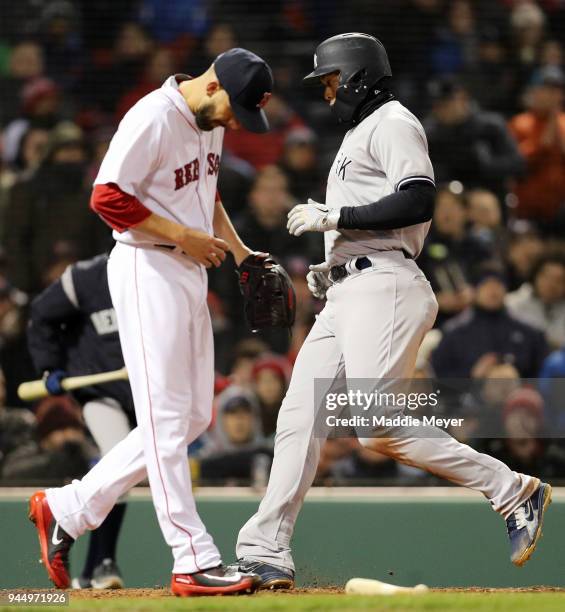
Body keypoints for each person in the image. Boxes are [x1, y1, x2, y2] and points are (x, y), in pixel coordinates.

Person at [233, 33, 551, 590]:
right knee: (300, 418)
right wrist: (331, 266)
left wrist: (335, 221)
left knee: (374, 427)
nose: (327, 94)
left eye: (331, 81)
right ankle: (265, 549)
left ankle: (512, 489)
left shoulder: (393, 121)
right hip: (352, 289)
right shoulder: (363, 130)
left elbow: (419, 197)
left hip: (385, 284)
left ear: (356, 74)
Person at [28, 47, 275, 597]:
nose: (237, 123)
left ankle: (67, 508)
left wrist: (239, 252)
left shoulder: (209, 118)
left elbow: (204, 195)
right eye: (237, 110)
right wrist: (182, 235)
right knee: (165, 418)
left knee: (191, 417)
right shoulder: (153, 116)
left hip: (189, 270)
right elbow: (107, 197)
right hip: (147, 266)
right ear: (213, 86)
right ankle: (193, 559)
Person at [27, 254, 135, 589]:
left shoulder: (161, 276)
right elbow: (41, 314)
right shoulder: (86, 277)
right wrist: (50, 365)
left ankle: (89, 572)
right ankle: (103, 560)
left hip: (146, 393)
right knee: (119, 457)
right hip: (98, 389)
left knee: (132, 469)